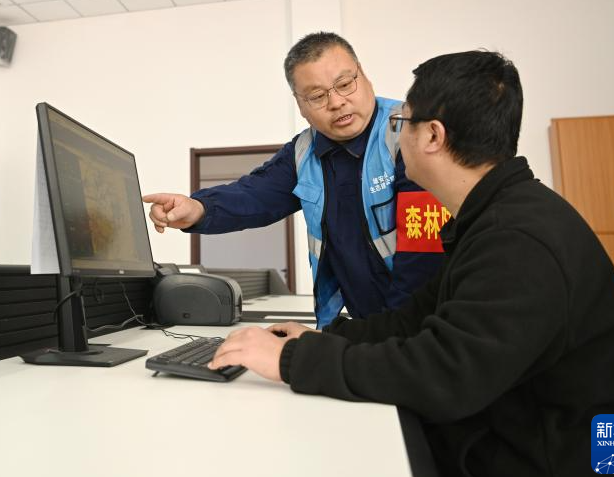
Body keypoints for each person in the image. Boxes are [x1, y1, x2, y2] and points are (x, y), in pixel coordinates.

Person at [209, 51, 614, 477]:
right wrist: (319, 340)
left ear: (433, 136)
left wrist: (289, 361)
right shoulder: (489, 220)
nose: (394, 136)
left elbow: (444, 374)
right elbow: (415, 319)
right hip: (520, 435)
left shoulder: (517, 239)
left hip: (565, 472)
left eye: (402, 123)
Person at [143, 32, 443, 328]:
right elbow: (254, 194)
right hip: (374, 326)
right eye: (317, 96)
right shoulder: (303, 153)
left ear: (363, 75)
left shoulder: (408, 131)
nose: (336, 102)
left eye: (344, 84)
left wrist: (382, 338)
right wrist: (198, 208)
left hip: (426, 323)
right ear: (300, 105)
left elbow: (424, 256)